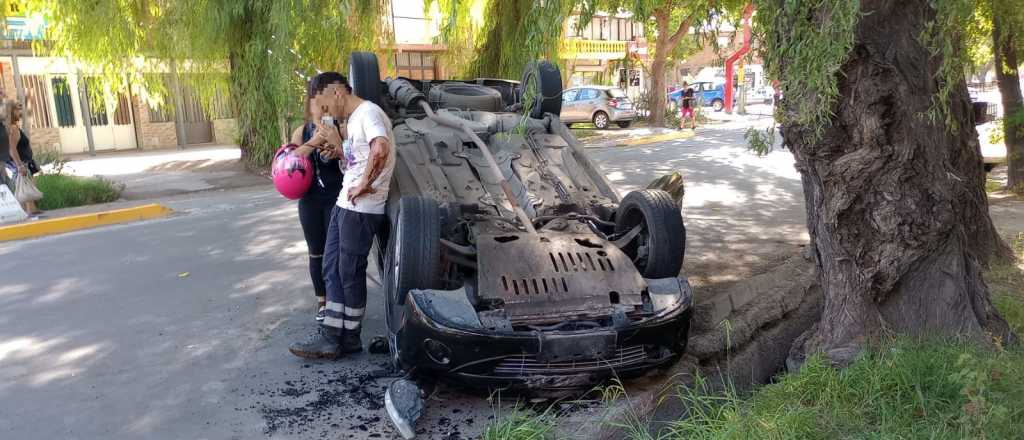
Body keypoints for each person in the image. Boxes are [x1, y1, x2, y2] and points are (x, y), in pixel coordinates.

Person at [289, 72, 396, 359]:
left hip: (361, 209)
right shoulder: (355, 121)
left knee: (346, 271)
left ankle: (342, 337)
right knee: (333, 267)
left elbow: (380, 148)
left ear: (337, 93)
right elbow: (356, 159)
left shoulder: (368, 113)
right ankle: (337, 336)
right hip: (346, 205)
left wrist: (365, 184)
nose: (326, 114)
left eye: (325, 106)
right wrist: (339, 151)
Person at [289, 76, 346, 322]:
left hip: (337, 198)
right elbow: (290, 162)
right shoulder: (301, 132)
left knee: (338, 253)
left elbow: (351, 159)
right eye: (316, 102)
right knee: (316, 252)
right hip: (310, 200)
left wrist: (335, 142)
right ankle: (322, 302)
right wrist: (315, 141)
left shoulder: (342, 127)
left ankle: (338, 301)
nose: (321, 107)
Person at [4, 100, 40, 214]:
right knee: (25, 192)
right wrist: (20, 166)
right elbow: (12, 149)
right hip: (22, 164)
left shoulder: (12, 127)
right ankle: (28, 217)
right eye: (17, 109)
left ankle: (31, 213)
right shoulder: (13, 128)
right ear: (11, 112)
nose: (20, 112)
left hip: (24, 163)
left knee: (28, 192)